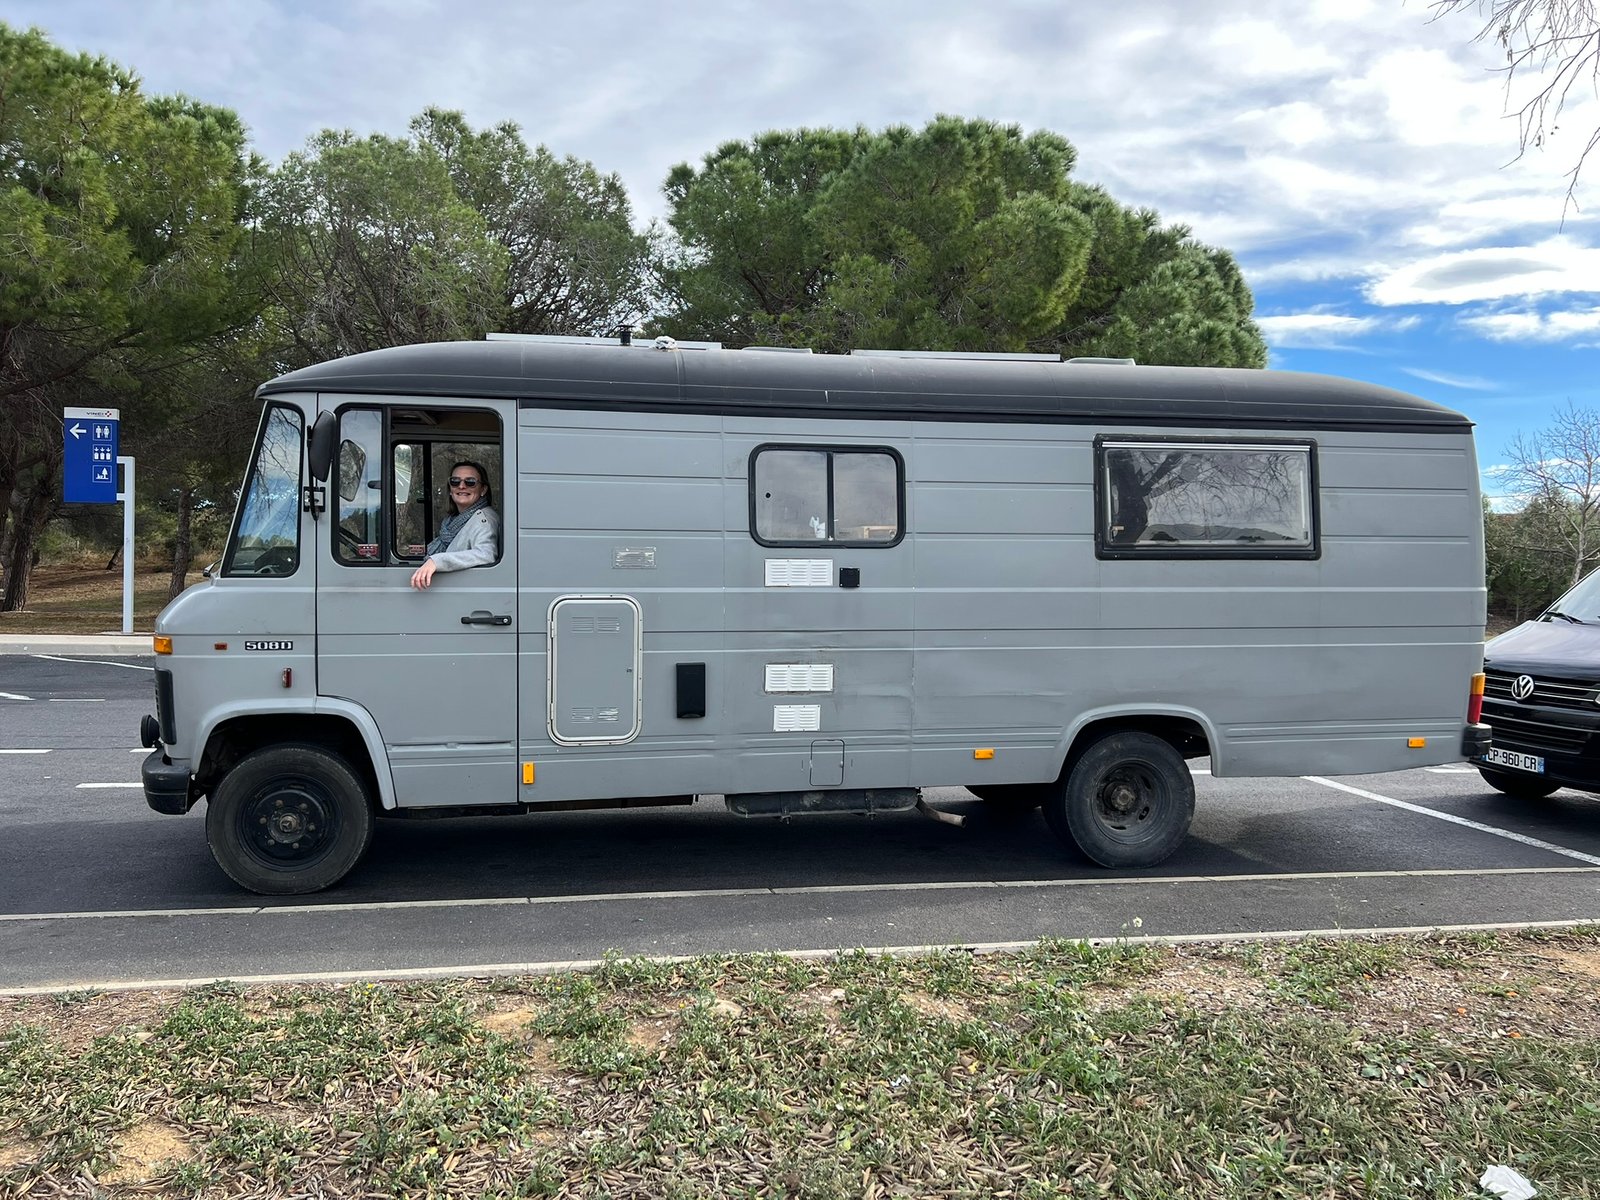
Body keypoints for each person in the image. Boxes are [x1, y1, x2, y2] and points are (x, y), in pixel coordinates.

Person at [410, 461, 500, 589]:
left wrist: (436, 561)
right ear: (450, 490)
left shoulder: (484, 519)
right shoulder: (452, 521)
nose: (462, 486)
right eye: (455, 481)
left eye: (470, 482)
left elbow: (486, 554)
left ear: (483, 489)